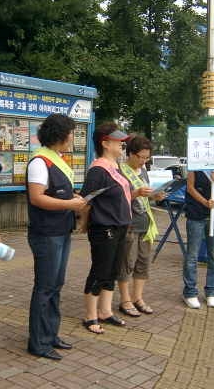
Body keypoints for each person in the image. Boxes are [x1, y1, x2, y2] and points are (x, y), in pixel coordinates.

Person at [26, 113, 87, 361]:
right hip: (46, 233)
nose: (73, 137)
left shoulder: (58, 160)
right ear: (60, 135)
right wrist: (70, 205)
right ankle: (38, 342)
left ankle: (50, 334)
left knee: (56, 284)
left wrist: (75, 197)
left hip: (61, 230)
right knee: (45, 286)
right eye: (71, 132)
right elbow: (37, 197)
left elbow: (58, 192)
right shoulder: (40, 162)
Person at [79, 122, 132, 334]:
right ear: (105, 143)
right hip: (104, 228)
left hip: (120, 226)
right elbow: (86, 199)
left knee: (113, 270)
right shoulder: (98, 170)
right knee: (100, 271)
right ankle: (90, 316)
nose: (122, 145)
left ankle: (105, 311)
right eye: (118, 142)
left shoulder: (115, 167)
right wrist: (84, 222)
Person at [117, 135, 165, 317]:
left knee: (143, 262)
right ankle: (125, 300)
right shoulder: (120, 171)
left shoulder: (143, 171)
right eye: (141, 157)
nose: (143, 161)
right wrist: (135, 193)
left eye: (147, 158)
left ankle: (138, 298)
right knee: (126, 262)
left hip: (145, 222)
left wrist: (155, 196)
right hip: (128, 223)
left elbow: (147, 194)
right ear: (130, 154)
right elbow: (117, 199)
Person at [183, 168, 214, 309]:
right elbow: (190, 187)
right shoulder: (196, 164)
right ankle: (190, 292)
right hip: (196, 213)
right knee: (192, 255)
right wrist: (205, 202)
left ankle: (212, 291)